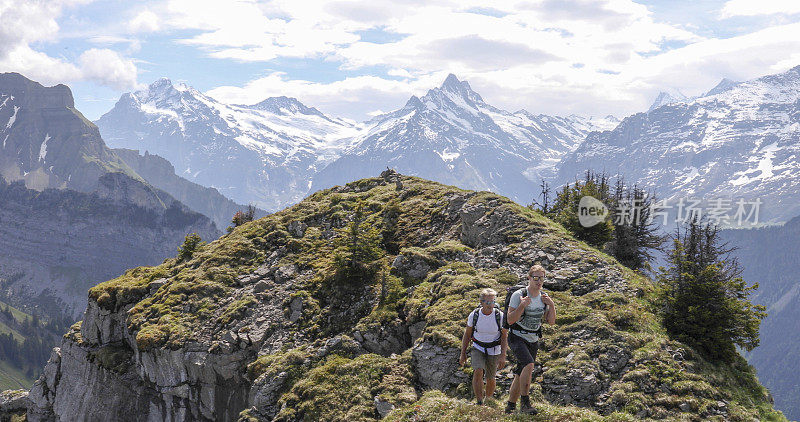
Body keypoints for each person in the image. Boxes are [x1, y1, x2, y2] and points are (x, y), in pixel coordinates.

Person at [504, 264, 556, 414]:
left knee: (520, 372)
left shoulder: (544, 298)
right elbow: (510, 320)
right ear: (529, 278)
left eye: (542, 278)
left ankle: (510, 406)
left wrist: (551, 305)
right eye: (536, 278)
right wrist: (522, 305)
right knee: (528, 364)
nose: (539, 281)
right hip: (517, 337)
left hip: (533, 339)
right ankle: (525, 403)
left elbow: (551, 322)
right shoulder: (518, 295)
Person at [459, 288, 508, 405]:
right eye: (487, 302)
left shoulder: (499, 316)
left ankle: (488, 399)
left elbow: (504, 336)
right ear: (481, 302)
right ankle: (479, 401)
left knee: (491, 377)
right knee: (478, 371)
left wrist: (503, 355)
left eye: (493, 302)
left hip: (494, 349)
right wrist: (463, 353)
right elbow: (467, 334)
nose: (490, 305)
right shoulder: (474, 315)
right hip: (478, 347)